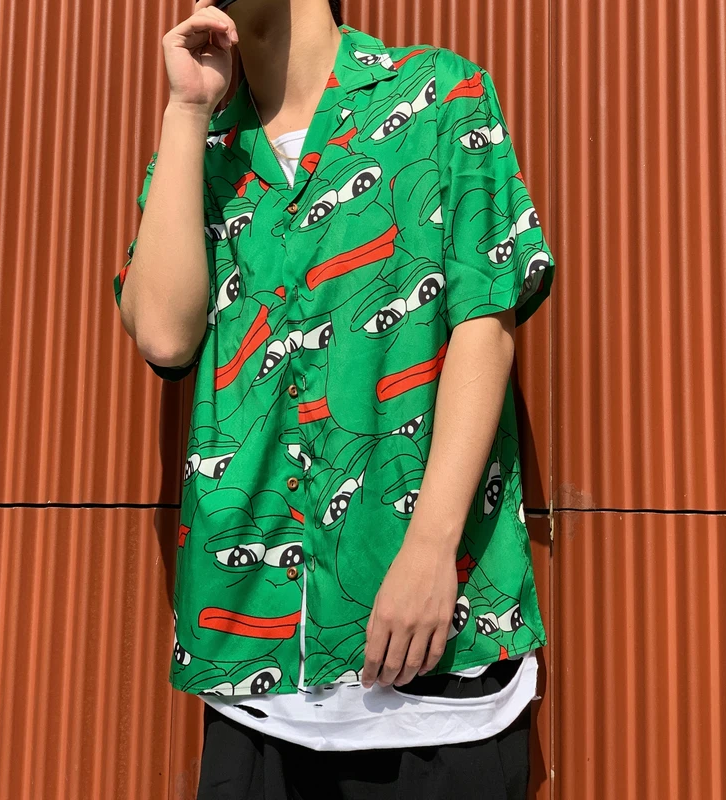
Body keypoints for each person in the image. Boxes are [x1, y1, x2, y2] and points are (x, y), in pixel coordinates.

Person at [113, 0, 555, 797]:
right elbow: (164, 336)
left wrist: (430, 548)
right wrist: (185, 111)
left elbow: (484, 326)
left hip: (439, 677)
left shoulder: (438, 94)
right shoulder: (201, 150)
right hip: (258, 689)